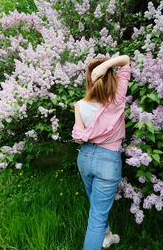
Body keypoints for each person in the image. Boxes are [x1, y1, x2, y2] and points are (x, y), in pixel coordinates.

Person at [72, 55, 131, 250]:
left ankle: (107, 236)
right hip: (107, 161)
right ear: (111, 77)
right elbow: (125, 61)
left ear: (89, 79)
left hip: (85, 158)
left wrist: (88, 130)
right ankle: (101, 235)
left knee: (95, 205)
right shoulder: (118, 99)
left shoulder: (80, 105)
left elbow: (79, 137)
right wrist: (106, 65)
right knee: (96, 217)